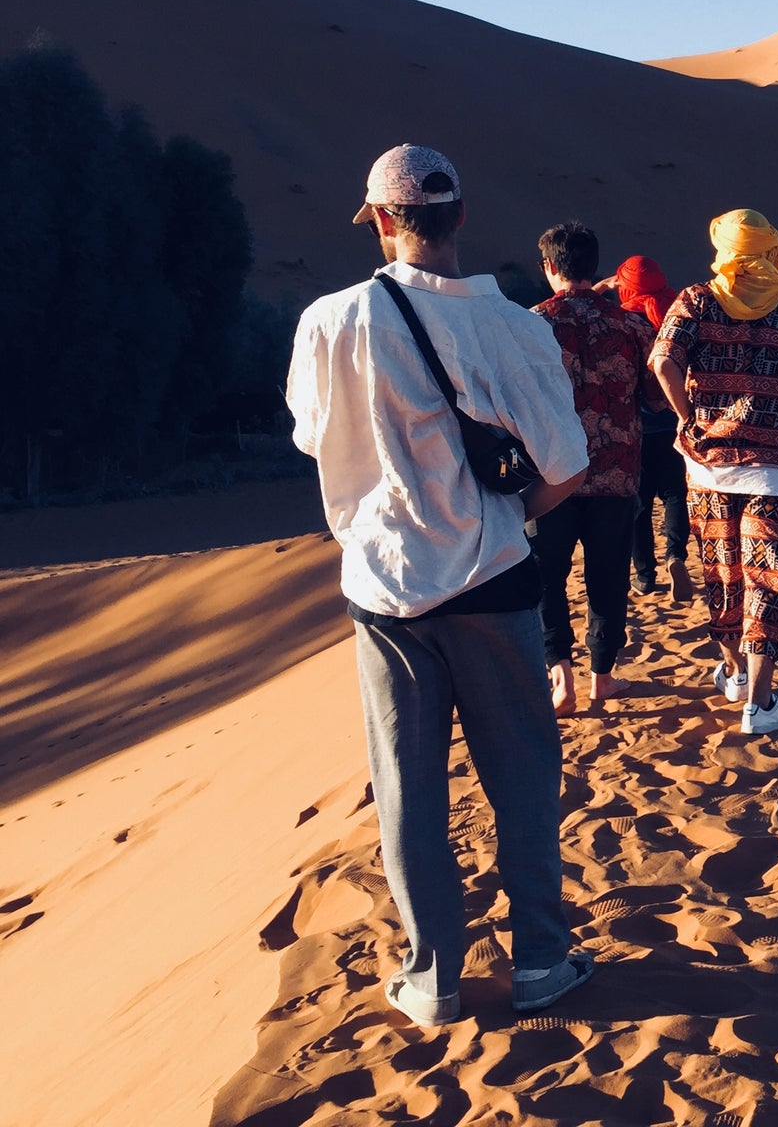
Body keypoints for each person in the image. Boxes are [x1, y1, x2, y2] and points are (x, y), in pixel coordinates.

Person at [286, 143, 596, 1028]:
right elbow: (568, 467)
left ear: (383, 222)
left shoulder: (328, 322)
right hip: (496, 583)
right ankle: (540, 961)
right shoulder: (516, 326)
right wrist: (504, 517)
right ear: (459, 218)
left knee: (407, 788)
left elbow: (314, 438)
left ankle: (430, 981)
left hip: (383, 591)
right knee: (525, 776)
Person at [650, 209, 778, 735]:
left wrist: (690, 421)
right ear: (773, 252)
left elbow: (663, 361)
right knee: (770, 579)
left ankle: (733, 673)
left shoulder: (695, 300)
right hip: (777, 472)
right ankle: (758, 701)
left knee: (724, 574)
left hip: (707, 470)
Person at [531, 223, 660, 713]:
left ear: (548, 267)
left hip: (549, 480)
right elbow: (655, 398)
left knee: (548, 576)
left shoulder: (531, 325)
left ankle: (560, 678)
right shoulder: (630, 325)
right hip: (616, 475)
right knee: (607, 576)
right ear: (594, 265)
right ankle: (602, 677)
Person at [599, 254, 691, 604]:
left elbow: (578, 305)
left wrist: (603, 287)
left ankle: (644, 575)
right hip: (675, 421)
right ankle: (676, 556)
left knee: (639, 503)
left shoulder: (619, 321)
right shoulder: (678, 313)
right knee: (674, 495)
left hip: (633, 428)